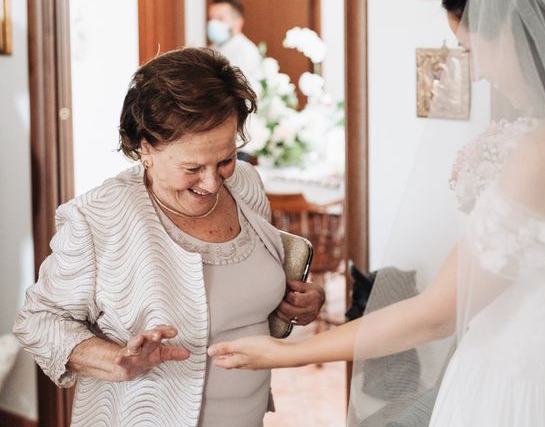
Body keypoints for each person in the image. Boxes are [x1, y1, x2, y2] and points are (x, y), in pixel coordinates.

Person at [209, 0, 545, 426]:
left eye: (473, 51)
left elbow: (435, 314)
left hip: (512, 396)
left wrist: (277, 354)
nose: (477, 73)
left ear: (515, 35)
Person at [13, 47, 325, 427]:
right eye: (192, 167)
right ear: (146, 148)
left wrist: (297, 302)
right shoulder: (97, 218)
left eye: (225, 159)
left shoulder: (246, 185)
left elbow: (241, 294)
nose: (212, 183)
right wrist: (114, 360)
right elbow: (38, 320)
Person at [207, 0, 262, 83]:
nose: (214, 23)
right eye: (211, 18)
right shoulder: (212, 49)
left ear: (238, 22)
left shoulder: (247, 51)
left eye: (220, 19)